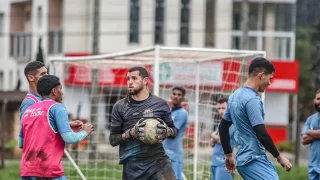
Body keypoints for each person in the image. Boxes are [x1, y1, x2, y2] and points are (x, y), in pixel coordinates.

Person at [218, 57, 292, 180]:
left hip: (242, 160)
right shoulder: (252, 100)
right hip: (253, 159)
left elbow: (223, 127)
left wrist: (228, 154)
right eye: (270, 78)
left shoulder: (234, 96)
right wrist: (279, 157)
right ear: (261, 75)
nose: (269, 83)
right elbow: (261, 133)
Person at [109, 66, 178, 180]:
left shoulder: (160, 104)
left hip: (158, 162)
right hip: (132, 166)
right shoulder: (120, 106)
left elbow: (174, 131)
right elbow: (112, 140)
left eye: (134, 78)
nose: (130, 82)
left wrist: (167, 131)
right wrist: (130, 133)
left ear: (145, 80)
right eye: (128, 79)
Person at [20, 75, 94, 180]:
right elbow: (69, 138)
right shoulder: (57, 107)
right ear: (54, 91)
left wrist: (66, 124)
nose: (62, 92)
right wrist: (85, 132)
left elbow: (23, 141)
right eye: (60, 88)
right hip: (48, 170)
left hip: (27, 170)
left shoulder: (29, 110)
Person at [19, 61, 82, 149]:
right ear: (31, 77)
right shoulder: (29, 103)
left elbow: (43, 124)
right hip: (40, 157)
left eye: (47, 72)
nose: (47, 76)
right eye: (43, 74)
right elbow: (26, 133)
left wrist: (65, 124)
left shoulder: (46, 99)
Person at [163, 86, 188, 180]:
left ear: (183, 98)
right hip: (164, 153)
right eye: (174, 94)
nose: (176, 96)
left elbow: (173, 133)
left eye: (179, 95)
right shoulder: (168, 111)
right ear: (171, 96)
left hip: (174, 154)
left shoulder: (182, 113)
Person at [210, 98, 235, 180]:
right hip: (215, 162)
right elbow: (211, 144)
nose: (221, 111)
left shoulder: (231, 123)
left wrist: (213, 135)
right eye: (219, 108)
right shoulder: (221, 124)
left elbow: (223, 140)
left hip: (224, 163)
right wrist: (215, 138)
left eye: (223, 108)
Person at [301, 89, 320, 180]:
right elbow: (304, 140)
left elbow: (306, 134)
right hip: (313, 166)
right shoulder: (310, 119)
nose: (319, 101)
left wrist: (310, 132)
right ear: (314, 100)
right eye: (318, 99)